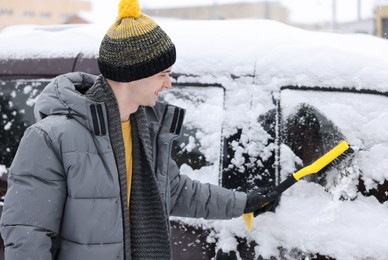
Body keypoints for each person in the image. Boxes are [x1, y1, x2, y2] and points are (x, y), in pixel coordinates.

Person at [0, 0, 279, 259]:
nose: (168, 83)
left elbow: (175, 191)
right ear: (132, 74)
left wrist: (244, 203)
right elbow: (27, 235)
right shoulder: (52, 138)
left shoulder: (146, 130)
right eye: (162, 74)